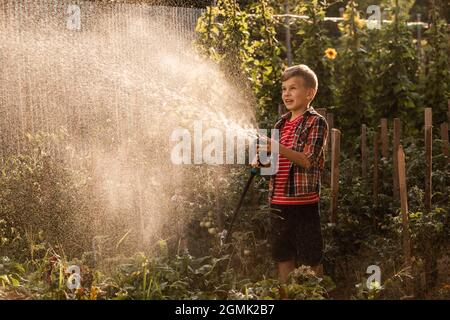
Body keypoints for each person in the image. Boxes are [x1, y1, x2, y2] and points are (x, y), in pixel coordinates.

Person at [259, 64, 328, 286]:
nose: (287, 94)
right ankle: (286, 294)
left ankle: (313, 294)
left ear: (310, 93)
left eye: (293, 88)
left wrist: (276, 147)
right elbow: (272, 164)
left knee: (311, 258)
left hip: (303, 204)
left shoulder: (315, 122)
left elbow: (307, 160)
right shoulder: (280, 123)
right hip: (278, 203)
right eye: (284, 89)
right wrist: (261, 160)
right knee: (283, 256)